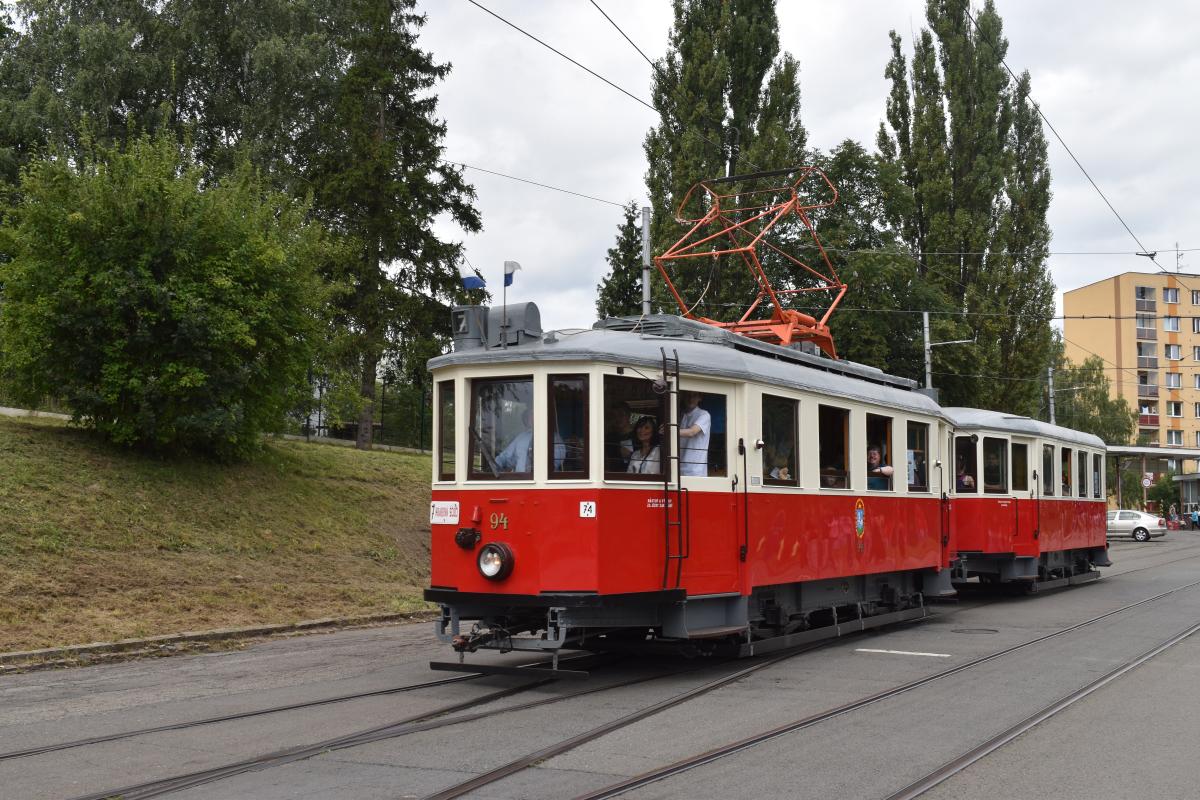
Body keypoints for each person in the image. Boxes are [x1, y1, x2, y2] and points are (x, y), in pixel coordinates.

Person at [678, 391, 711, 477]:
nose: (691, 399)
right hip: (678, 468)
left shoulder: (704, 414)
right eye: (688, 395)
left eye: (694, 396)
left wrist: (669, 431)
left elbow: (692, 432)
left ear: (700, 398)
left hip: (695, 471)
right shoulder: (681, 415)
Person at [495, 408, 534, 473]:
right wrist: (496, 464)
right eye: (526, 417)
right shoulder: (521, 437)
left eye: (531, 415)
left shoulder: (552, 437)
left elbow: (554, 463)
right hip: (520, 479)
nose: (529, 419)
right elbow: (507, 457)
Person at [604, 404, 634, 472]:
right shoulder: (610, 437)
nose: (617, 419)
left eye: (621, 415)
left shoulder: (638, 435)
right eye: (614, 416)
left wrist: (631, 455)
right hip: (613, 475)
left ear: (628, 415)